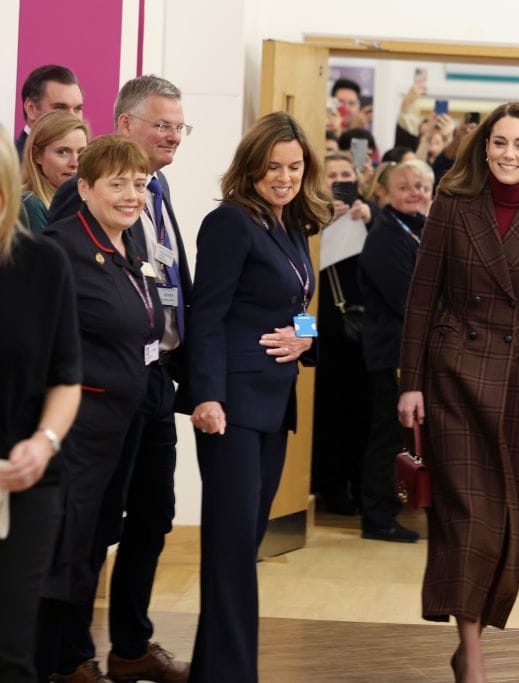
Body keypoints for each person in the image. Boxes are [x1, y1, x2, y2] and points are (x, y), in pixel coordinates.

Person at [397, 101, 519, 682]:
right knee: (465, 516)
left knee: (501, 519)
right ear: (483, 148)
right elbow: (421, 298)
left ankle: (471, 635)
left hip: (518, 383)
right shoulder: (452, 206)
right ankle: (471, 654)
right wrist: (411, 382)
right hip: (452, 372)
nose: (509, 154)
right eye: (499, 142)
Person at [49, 75, 194, 682]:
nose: (172, 136)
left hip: (153, 379)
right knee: (91, 523)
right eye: (161, 124)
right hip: (98, 391)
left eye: (179, 126)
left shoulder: (154, 193)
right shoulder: (80, 204)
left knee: (154, 514)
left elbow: (171, 289)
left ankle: (131, 646)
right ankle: (71, 653)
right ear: (126, 123)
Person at [188, 111, 330, 682]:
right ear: (251, 168)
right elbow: (208, 315)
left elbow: (302, 312)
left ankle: (214, 670)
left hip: (274, 406)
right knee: (229, 550)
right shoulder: (230, 223)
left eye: (294, 167)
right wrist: (206, 396)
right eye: (273, 167)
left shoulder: (291, 228)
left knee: (241, 547)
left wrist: (307, 338)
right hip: (232, 408)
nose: (285, 177)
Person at [35, 135, 163, 683]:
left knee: (89, 550)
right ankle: (45, 665)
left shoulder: (129, 246)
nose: (132, 194)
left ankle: (70, 661)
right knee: (60, 557)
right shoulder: (59, 249)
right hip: (75, 433)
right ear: (84, 187)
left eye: (139, 184)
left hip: (120, 427)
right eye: (117, 184)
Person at [0, 128, 82, 683]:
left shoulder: (43, 263)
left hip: (24, 484)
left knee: (10, 652)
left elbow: (66, 377)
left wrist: (43, 442)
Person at [357, 161, 434, 543]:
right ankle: (377, 516)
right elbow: (410, 300)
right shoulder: (386, 236)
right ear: (383, 194)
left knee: (404, 437)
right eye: (405, 186)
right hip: (392, 353)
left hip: (413, 353)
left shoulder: (421, 232)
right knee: (388, 435)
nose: (415, 191)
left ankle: (392, 508)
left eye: (422, 185)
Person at [312, 151, 372, 515]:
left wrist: (371, 219)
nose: (339, 179)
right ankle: (331, 487)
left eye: (345, 173)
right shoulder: (308, 219)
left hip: (367, 334)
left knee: (363, 415)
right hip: (324, 334)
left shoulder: (371, 216)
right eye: (331, 173)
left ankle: (360, 484)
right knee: (329, 414)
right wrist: (321, 224)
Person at [20, 111, 89, 231]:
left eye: (81, 152)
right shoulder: (31, 205)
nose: (74, 163)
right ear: (37, 155)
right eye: (62, 152)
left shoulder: (85, 203)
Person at [15, 65, 84, 159]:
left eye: (77, 109)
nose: (72, 118)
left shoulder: (89, 166)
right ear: (31, 109)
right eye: (60, 108)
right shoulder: (8, 165)